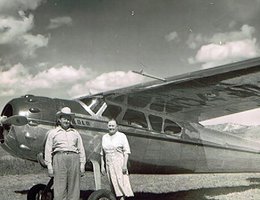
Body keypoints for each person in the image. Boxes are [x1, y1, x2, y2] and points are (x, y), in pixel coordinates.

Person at [45, 107, 86, 200]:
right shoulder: (53, 133)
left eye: (68, 118)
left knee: (74, 187)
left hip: (74, 158)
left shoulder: (75, 133)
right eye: (64, 118)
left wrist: (82, 164)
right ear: (60, 119)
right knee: (59, 188)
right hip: (59, 158)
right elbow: (48, 150)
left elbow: (81, 149)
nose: (66, 121)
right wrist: (49, 166)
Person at [100, 119, 134, 200]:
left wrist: (124, 165)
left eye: (113, 126)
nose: (111, 127)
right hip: (109, 163)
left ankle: (122, 198)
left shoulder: (122, 136)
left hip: (119, 163)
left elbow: (127, 152)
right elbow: (102, 153)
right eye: (109, 126)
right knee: (112, 184)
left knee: (121, 183)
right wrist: (102, 165)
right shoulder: (105, 137)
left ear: (117, 127)